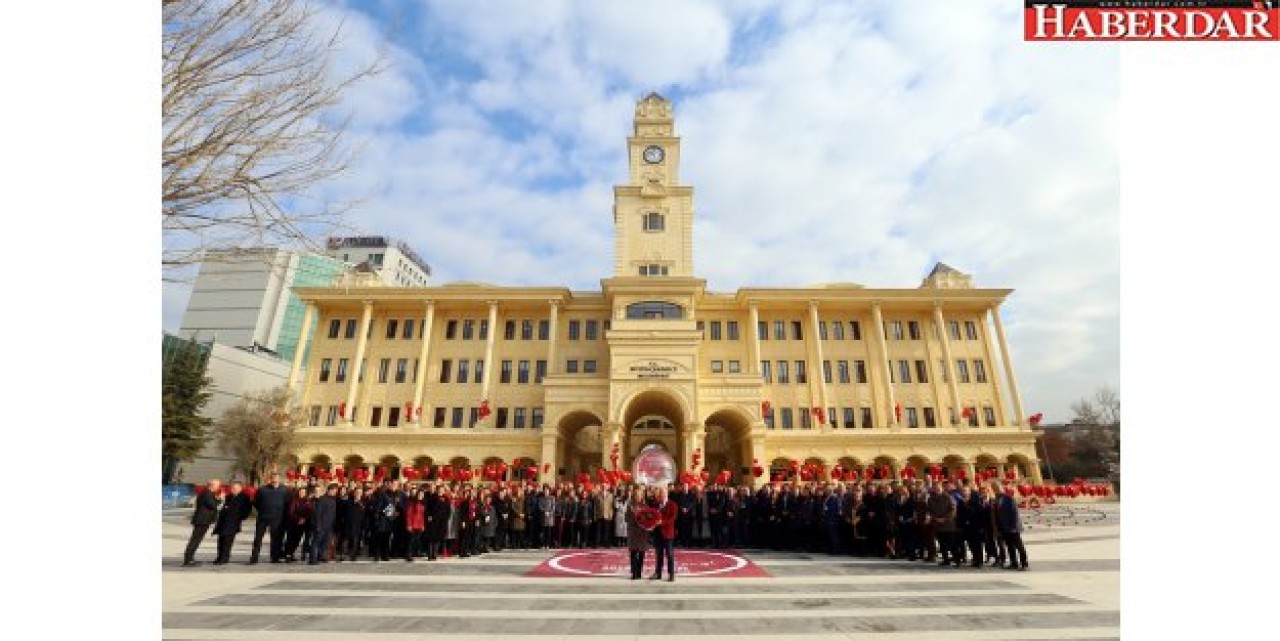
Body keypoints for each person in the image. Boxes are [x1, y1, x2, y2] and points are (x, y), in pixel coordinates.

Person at [249, 472, 291, 564]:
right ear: (270, 479)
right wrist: (262, 509)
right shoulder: (262, 489)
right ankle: (254, 558)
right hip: (263, 517)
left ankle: (275, 557)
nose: (275, 480)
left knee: (276, 539)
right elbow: (256, 502)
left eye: (276, 478)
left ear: (279, 479)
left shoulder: (285, 490)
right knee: (258, 538)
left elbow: (288, 504)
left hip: (278, 518)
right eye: (273, 478)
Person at [183, 479, 222, 566]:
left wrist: (216, 499)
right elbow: (213, 505)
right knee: (195, 540)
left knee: (197, 540)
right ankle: (188, 560)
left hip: (204, 520)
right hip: (202, 521)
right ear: (212, 485)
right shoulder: (207, 493)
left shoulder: (208, 493)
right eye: (218, 485)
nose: (219, 487)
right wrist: (220, 500)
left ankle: (190, 558)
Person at [213, 482, 252, 565]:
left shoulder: (244, 497)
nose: (233, 490)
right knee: (220, 541)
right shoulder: (228, 497)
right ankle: (219, 557)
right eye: (232, 488)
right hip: (223, 522)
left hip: (233, 523)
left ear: (240, 489)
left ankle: (224, 558)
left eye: (235, 488)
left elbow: (247, 510)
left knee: (227, 542)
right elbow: (221, 506)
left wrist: (239, 517)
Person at [995, 484, 1029, 571]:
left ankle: (1024, 563)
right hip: (1004, 527)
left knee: (1019, 546)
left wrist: (1014, 526)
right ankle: (1014, 563)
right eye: (994, 488)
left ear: (1002, 488)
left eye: (997, 488)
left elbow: (1014, 513)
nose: (996, 490)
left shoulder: (1008, 498)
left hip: (1013, 527)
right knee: (1010, 546)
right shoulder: (997, 499)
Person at [649, 486, 679, 582]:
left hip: (668, 534)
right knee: (659, 555)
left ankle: (671, 574)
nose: (661, 495)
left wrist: (662, 522)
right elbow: (651, 516)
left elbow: (672, 519)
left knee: (669, 554)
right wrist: (651, 524)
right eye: (660, 493)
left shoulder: (673, 505)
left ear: (666, 494)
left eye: (663, 493)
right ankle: (658, 573)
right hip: (657, 534)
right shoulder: (655, 504)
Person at [309, 483, 338, 565]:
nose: (335, 492)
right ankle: (312, 559)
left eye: (336, 491)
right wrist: (318, 525)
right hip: (321, 526)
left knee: (324, 543)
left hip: (328, 526)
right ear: (329, 490)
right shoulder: (322, 499)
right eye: (334, 491)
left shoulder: (333, 500)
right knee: (316, 542)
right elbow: (317, 513)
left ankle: (320, 556)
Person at [282, 486, 313, 563]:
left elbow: (310, 512)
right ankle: (288, 555)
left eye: (303, 492)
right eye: (301, 492)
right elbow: (291, 512)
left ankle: (291, 554)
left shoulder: (308, 501)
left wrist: (304, 518)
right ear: (298, 492)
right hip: (293, 523)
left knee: (297, 540)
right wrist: (299, 519)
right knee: (290, 539)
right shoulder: (294, 500)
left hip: (302, 524)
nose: (302, 493)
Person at [625, 487, 649, 580]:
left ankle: (639, 572)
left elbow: (648, 519)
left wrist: (643, 520)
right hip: (633, 532)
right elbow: (626, 518)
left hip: (642, 533)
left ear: (642, 496)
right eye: (636, 495)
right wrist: (634, 517)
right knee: (633, 553)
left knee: (642, 553)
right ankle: (634, 573)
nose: (638, 497)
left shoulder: (645, 506)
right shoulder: (629, 506)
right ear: (634, 496)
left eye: (639, 495)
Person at [337, 486, 366, 562]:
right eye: (357, 492)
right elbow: (342, 512)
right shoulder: (348, 502)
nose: (358, 494)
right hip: (347, 525)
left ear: (362, 493)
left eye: (360, 493)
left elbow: (365, 515)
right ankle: (343, 555)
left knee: (355, 542)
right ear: (354, 493)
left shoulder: (363, 503)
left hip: (357, 526)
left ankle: (353, 556)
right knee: (345, 541)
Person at [404, 488, 427, 562]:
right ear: (417, 494)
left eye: (422, 494)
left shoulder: (423, 503)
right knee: (411, 541)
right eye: (420, 494)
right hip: (413, 524)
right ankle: (408, 555)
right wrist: (409, 525)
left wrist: (423, 525)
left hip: (420, 524)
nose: (421, 495)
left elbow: (423, 515)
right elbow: (408, 514)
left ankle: (413, 553)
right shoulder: (412, 503)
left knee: (416, 540)